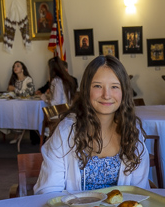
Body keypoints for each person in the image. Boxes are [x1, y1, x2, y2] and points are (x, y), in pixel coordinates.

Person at [33, 55, 150, 194]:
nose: (106, 95)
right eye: (98, 86)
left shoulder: (132, 132)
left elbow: (140, 191)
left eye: (114, 87)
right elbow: (48, 192)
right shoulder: (66, 131)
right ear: (86, 89)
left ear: (124, 92)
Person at [0, 61, 35, 143]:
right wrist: (0, 94)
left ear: (23, 69)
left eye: (18, 66)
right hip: (15, 104)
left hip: (25, 106)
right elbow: (12, 94)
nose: (15, 68)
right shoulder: (15, 80)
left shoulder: (28, 79)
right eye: (14, 66)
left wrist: (14, 89)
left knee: (6, 111)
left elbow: (29, 93)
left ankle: (13, 134)